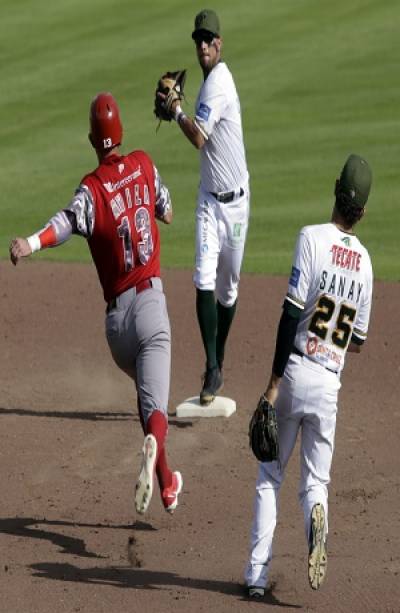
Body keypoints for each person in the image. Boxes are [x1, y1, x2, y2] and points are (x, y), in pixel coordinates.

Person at [9, 92, 183, 516]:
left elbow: (65, 223)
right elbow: (168, 212)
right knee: (156, 407)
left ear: (93, 139)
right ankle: (154, 447)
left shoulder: (91, 189)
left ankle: (167, 485)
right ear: (120, 131)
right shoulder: (144, 164)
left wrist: (30, 243)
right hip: (150, 311)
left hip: (116, 329)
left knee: (144, 392)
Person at [244, 154, 373, 597]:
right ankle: (316, 523)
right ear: (364, 211)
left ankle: (257, 578)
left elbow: (289, 315)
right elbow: (357, 340)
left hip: (296, 371)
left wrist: (273, 384)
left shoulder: (310, 238)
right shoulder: (367, 264)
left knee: (269, 476)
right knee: (314, 484)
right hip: (330, 384)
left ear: (335, 188)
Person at [169, 9, 250, 405]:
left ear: (219, 43)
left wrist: (176, 112)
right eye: (198, 39)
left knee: (229, 288)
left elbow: (199, 138)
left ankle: (217, 356)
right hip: (208, 201)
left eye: (209, 39)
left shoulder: (219, 82)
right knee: (203, 278)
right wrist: (181, 111)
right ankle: (213, 367)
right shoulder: (207, 83)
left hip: (236, 206)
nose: (203, 45)